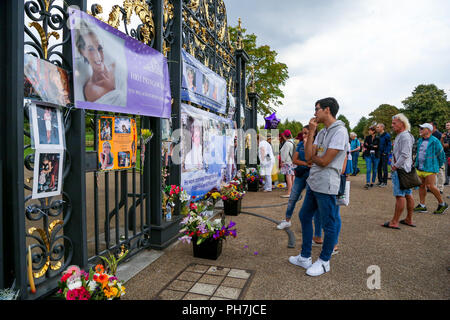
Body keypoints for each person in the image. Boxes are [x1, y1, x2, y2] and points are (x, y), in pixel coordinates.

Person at [288, 97, 348, 277]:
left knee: (328, 223)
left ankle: (324, 261)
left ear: (327, 110)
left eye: (317, 109)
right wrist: (312, 132)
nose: (314, 113)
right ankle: (305, 256)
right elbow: (308, 156)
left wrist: (314, 158)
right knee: (305, 215)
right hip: (315, 182)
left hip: (327, 184)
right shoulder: (321, 132)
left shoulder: (340, 132)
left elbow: (324, 161)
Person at [75, 21, 125, 106]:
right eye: (91, 49)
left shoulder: (118, 68)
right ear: (82, 52)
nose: (98, 55)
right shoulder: (92, 90)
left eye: (99, 48)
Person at [382, 113, 415, 229]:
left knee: (400, 196)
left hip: (401, 170)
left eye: (394, 123)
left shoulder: (404, 136)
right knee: (408, 194)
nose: (392, 125)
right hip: (406, 169)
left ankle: (394, 221)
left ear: (402, 123)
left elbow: (405, 154)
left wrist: (395, 166)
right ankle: (408, 219)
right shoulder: (406, 135)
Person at [413, 123, 448, 215]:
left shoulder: (435, 141)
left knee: (430, 186)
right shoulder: (420, 140)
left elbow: (441, 154)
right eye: (420, 128)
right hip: (420, 167)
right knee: (421, 185)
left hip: (431, 168)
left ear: (428, 130)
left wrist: (438, 165)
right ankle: (422, 205)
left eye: (422, 128)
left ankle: (442, 204)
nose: (419, 130)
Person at [280, 129, 296, 198]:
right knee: (293, 177)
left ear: (284, 136)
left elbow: (285, 154)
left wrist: (282, 161)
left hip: (288, 162)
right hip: (293, 162)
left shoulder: (287, 143)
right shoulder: (293, 142)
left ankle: (289, 192)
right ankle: (293, 191)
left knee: (288, 177)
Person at [441, 121, 450, 185]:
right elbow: (441, 145)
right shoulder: (445, 134)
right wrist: (442, 138)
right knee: (446, 168)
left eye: (448, 125)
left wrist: (442, 138)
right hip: (446, 153)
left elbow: (445, 145)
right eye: (446, 125)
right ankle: (446, 181)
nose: (447, 126)